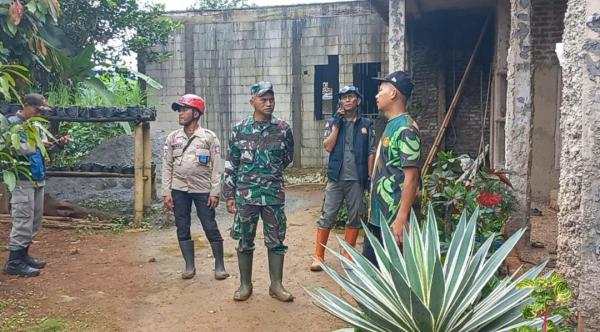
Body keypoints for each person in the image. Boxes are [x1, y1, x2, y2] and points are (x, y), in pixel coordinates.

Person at [223, 81, 295, 302]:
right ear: (252, 101)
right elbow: (231, 163)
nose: (268, 103)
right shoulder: (239, 130)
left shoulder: (283, 129)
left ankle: (276, 285)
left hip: (273, 194)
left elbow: (287, 158)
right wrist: (229, 194)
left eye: (271, 99)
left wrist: (268, 174)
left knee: (276, 239)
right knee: (245, 239)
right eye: (263, 99)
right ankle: (245, 284)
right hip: (247, 195)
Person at [162, 94, 229, 280]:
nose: (180, 113)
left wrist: (215, 192)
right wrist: (166, 192)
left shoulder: (209, 138)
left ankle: (220, 265)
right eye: (179, 110)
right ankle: (189, 265)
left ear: (196, 113)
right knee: (182, 226)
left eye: (184, 109)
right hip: (179, 190)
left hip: (203, 190)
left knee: (209, 225)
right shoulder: (172, 138)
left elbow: (217, 167)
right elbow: (166, 166)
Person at [4, 93, 70, 277]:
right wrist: (38, 144)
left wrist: (58, 145)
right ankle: (14, 262)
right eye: (37, 109)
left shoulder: (35, 125)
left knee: (34, 221)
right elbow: (12, 148)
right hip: (22, 178)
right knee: (23, 219)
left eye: (41, 110)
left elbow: (43, 150)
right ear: (26, 105)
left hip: (37, 176)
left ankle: (23, 255)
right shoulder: (11, 124)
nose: (39, 113)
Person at [310, 85, 375, 272]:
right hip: (336, 178)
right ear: (340, 101)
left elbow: (371, 151)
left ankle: (348, 255)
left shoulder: (366, 124)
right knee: (328, 215)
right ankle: (318, 256)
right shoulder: (332, 122)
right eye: (344, 97)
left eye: (351, 97)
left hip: (357, 178)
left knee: (355, 217)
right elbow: (328, 146)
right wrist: (337, 124)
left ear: (358, 101)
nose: (347, 100)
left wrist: (369, 177)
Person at [363, 71, 421, 266]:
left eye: (381, 90)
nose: (376, 95)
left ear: (394, 93)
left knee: (392, 277)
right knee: (371, 275)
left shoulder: (406, 128)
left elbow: (411, 177)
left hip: (392, 220)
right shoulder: (392, 124)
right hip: (378, 218)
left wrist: (402, 217)